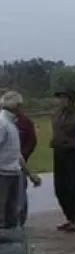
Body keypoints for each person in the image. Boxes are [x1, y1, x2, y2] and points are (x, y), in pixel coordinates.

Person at [51, 89, 75, 232]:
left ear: (71, 100)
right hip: (58, 152)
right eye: (60, 98)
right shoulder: (56, 114)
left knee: (73, 187)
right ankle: (69, 217)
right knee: (59, 188)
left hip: (73, 153)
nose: (61, 101)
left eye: (64, 98)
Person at [0, 92, 40, 229]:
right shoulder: (2, 124)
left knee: (13, 214)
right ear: (16, 106)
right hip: (3, 174)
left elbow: (16, 154)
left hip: (13, 173)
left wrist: (29, 174)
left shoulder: (12, 124)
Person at [9, 95, 37, 226]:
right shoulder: (5, 124)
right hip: (8, 165)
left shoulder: (25, 122)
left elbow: (31, 141)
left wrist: (24, 155)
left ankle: (19, 223)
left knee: (20, 197)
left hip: (18, 163)